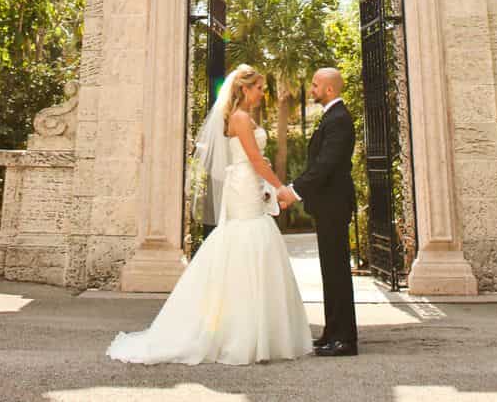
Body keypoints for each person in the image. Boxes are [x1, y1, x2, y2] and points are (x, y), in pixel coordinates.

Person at [107, 64, 312, 365]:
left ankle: (254, 330)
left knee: (252, 242)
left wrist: (266, 186)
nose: (261, 93)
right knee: (247, 242)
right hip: (244, 185)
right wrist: (281, 187)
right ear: (244, 88)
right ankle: (240, 332)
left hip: (248, 183)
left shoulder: (244, 118)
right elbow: (255, 160)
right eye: (258, 88)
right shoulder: (241, 118)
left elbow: (256, 160)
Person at [278, 67, 358, 357]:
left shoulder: (338, 120)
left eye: (315, 85)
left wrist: (294, 191)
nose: (310, 90)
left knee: (337, 272)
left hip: (334, 205)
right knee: (331, 270)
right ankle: (332, 332)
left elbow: (325, 166)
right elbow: (319, 165)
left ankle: (345, 339)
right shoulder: (332, 117)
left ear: (329, 90)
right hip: (328, 205)